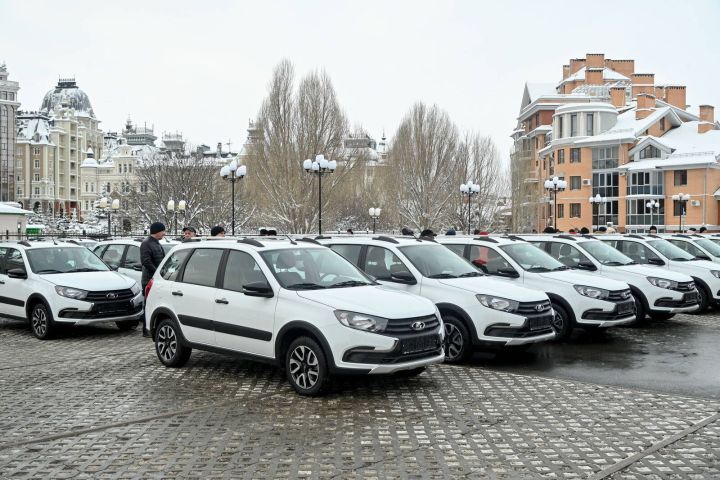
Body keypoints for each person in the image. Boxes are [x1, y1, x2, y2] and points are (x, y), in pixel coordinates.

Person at [140, 222, 166, 337]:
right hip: (149, 279)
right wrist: (156, 272)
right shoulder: (146, 243)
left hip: (158, 278)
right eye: (163, 231)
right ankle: (146, 330)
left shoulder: (157, 243)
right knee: (149, 304)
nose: (164, 233)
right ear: (157, 231)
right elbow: (146, 261)